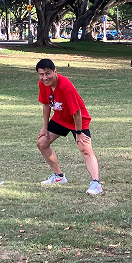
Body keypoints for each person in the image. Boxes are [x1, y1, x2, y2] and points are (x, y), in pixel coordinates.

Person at [36, 58, 103, 195]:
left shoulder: (65, 86)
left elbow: (77, 112)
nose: (45, 77)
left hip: (78, 120)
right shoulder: (43, 84)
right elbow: (46, 105)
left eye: (48, 73)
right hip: (60, 118)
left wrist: (79, 132)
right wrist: (45, 127)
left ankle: (96, 184)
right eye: (41, 74)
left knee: (85, 149)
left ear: (55, 71)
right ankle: (59, 177)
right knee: (42, 143)